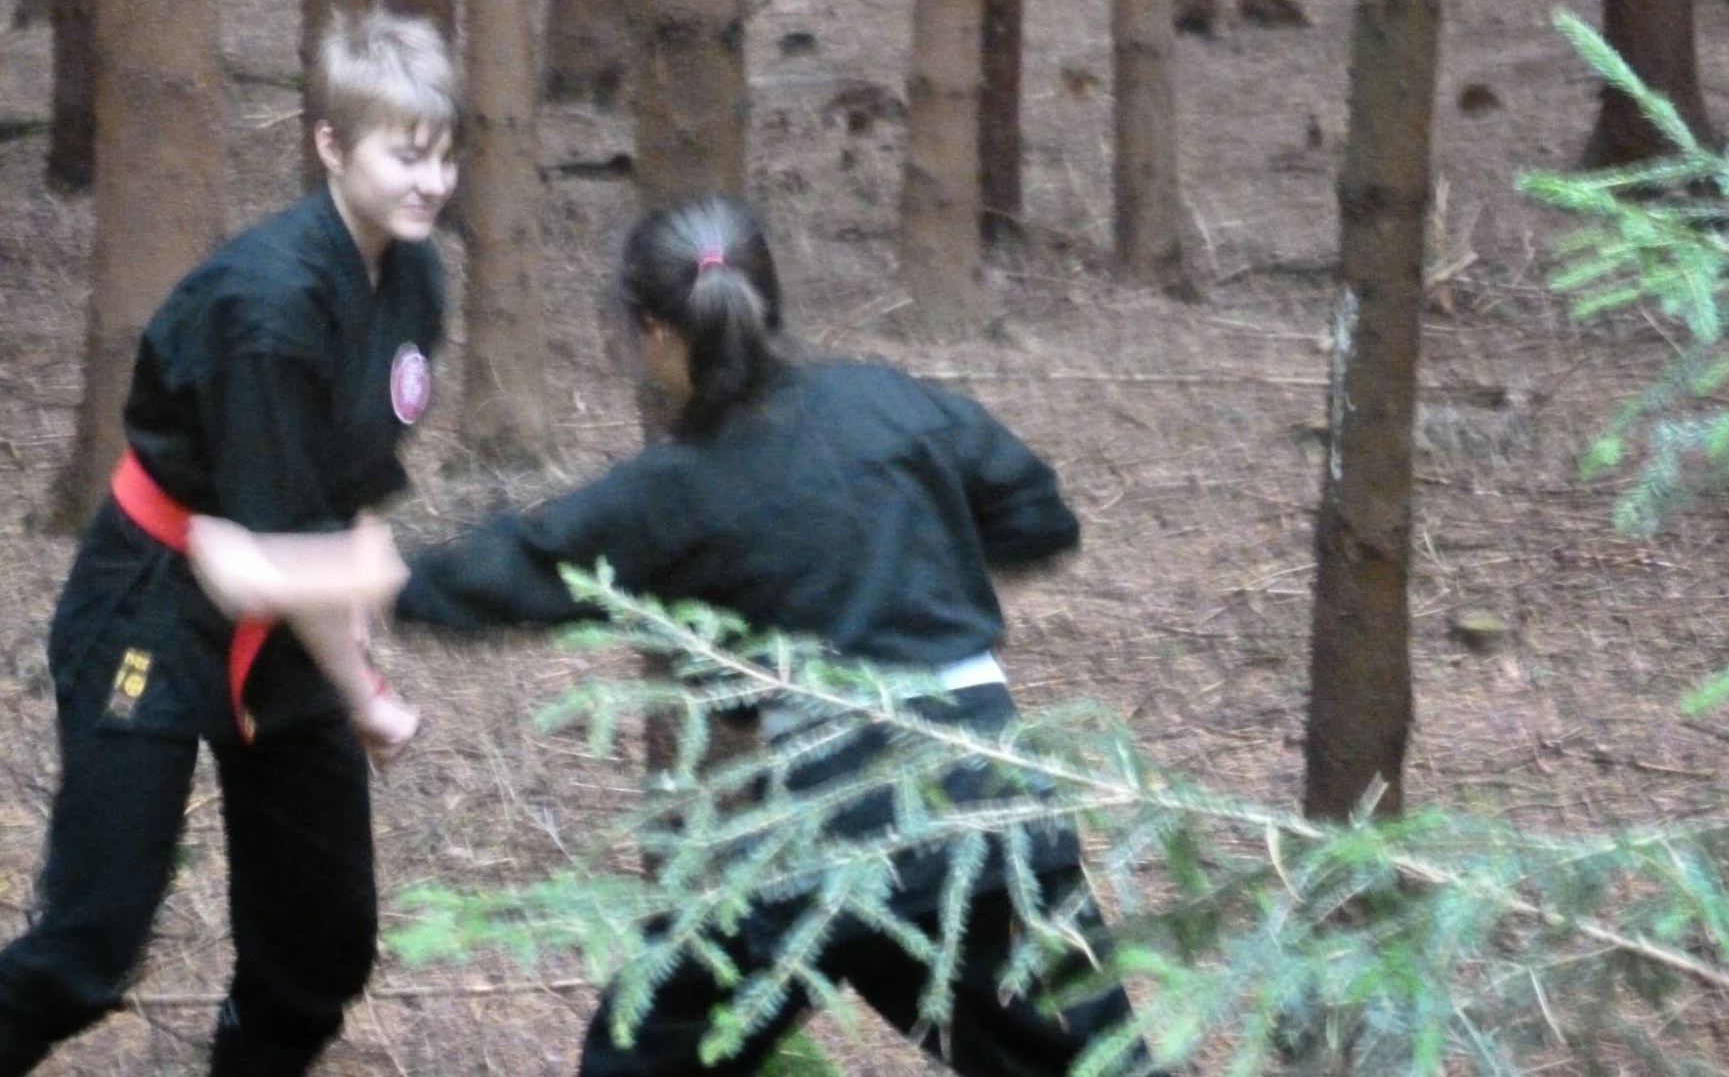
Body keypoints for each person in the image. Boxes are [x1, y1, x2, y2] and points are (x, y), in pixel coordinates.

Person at [352, 194, 1148, 1075]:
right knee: (1096, 1065)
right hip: (996, 803)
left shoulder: (677, 487)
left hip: (828, 831)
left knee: (642, 1057)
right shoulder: (889, 401)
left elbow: (529, 567)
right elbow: (1038, 515)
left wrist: (383, 576)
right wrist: (922, 563)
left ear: (655, 332)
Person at [0, 10, 461, 1077]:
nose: (433, 182)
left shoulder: (414, 275)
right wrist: (364, 688)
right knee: (90, 946)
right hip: (156, 599)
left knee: (320, 944)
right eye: (406, 155)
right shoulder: (269, 308)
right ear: (331, 146)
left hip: (283, 593)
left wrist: (351, 669)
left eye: (445, 155)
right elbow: (271, 551)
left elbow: (344, 497)